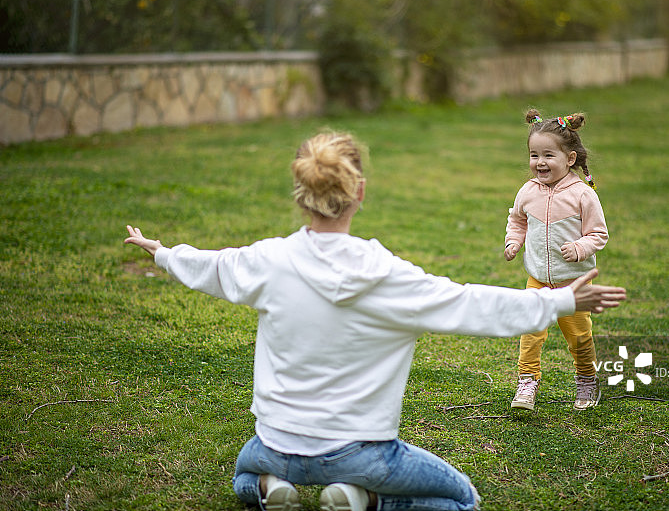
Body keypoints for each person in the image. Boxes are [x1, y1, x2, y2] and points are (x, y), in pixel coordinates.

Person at [124, 131, 625, 511]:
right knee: (462, 500)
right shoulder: (386, 274)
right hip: (360, 452)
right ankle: (362, 498)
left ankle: (271, 488)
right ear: (358, 192)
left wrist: (163, 253)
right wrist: (561, 303)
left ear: (301, 196)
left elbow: (213, 267)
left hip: (275, 444)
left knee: (243, 474)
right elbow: (469, 303)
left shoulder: (267, 260)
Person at [504, 109, 609, 412]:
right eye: (534, 155)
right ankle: (527, 381)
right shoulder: (527, 192)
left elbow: (599, 234)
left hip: (574, 284)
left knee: (578, 336)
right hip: (537, 279)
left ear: (570, 159)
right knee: (531, 330)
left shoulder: (582, 196)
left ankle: (587, 378)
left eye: (548, 155)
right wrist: (514, 240)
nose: (539, 162)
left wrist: (579, 247)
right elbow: (517, 220)